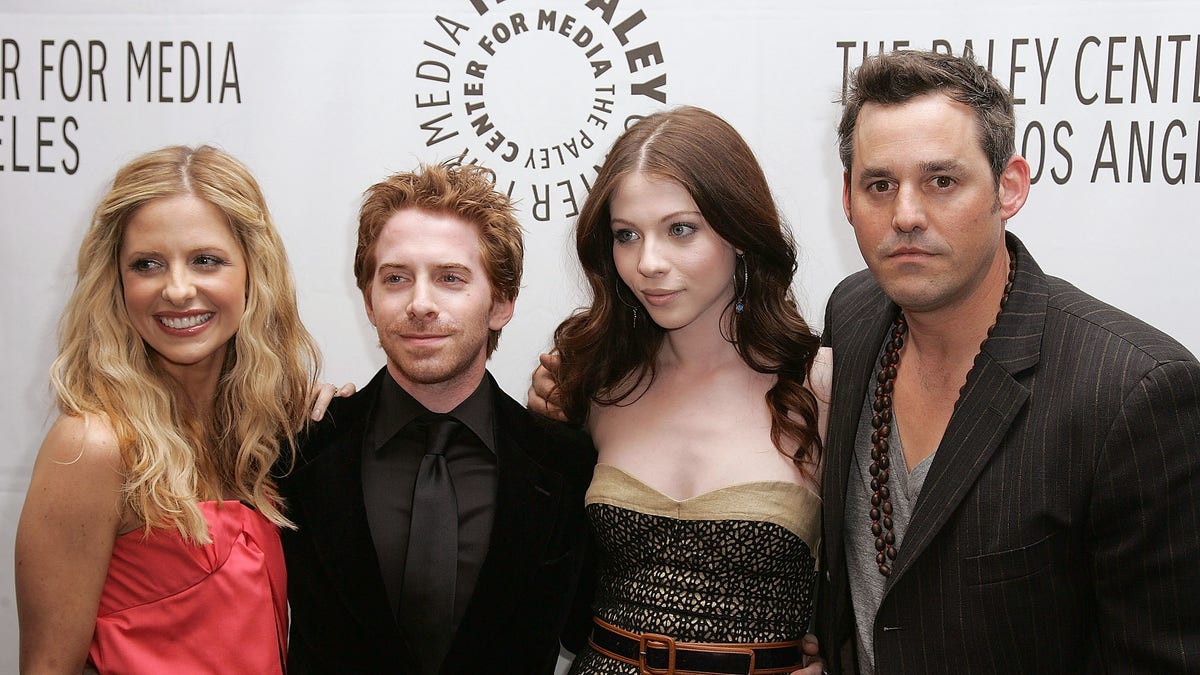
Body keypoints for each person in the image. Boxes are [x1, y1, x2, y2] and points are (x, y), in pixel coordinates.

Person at [815, 50, 1200, 673]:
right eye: (879, 185)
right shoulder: (853, 316)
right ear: (848, 198)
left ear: (1010, 187)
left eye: (942, 181)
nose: (906, 215)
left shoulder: (1135, 393)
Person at [539, 105, 830, 675]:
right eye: (627, 235)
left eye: (681, 229)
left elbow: (889, 579)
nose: (648, 262)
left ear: (740, 234)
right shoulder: (596, 385)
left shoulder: (819, 384)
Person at [15, 145, 323, 674]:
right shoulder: (94, 446)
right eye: (147, 264)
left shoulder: (260, 440)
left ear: (253, 272)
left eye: (206, 260)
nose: (178, 290)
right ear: (117, 283)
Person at [278, 163, 597, 674]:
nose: (420, 304)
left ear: (502, 302)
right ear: (368, 300)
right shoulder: (297, 448)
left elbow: (586, 630)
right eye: (397, 278)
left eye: (450, 279)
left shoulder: (567, 462)